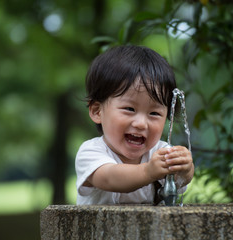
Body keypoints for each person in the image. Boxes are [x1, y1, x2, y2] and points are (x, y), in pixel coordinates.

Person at [75, 45, 194, 205]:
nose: (140, 123)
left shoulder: (160, 152)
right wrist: (148, 171)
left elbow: (180, 181)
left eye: (154, 113)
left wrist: (185, 169)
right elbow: (110, 178)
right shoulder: (90, 153)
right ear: (97, 111)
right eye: (129, 109)